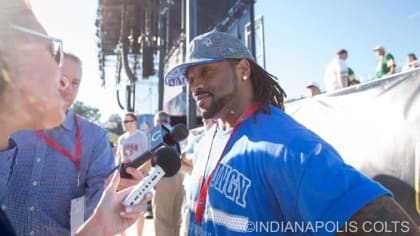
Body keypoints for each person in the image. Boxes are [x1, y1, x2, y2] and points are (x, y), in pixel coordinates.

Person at [164, 30, 418, 235]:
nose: (195, 84)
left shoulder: (289, 146)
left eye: (206, 71)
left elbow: (393, 228)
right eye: (190, 77)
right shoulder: (208, 138)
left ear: (243, 69)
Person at [0, 1, 150, 235]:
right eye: (50, 50)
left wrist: (99, 225)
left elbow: (99, 193)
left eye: (75, 82)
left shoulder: (93, 136)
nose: (64, 84)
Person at [151, 111, 185, 236]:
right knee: (177, 218)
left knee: (162, 220)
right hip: (181, 176)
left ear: (157, 122)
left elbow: (154, 157)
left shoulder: (156, 133)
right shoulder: (178, 133)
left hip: (163, 178)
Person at [116, 111, 148, 236]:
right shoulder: (121, 138)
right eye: (123, 121)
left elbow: (148, 157)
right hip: (123, 178)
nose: (123, 124)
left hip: (137, 178)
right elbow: (118, 157)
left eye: (126, 121)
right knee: (120, 209)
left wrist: (143, 174)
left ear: (134, 122)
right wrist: (116, 174)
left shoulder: (142, 136)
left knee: (139, 209)